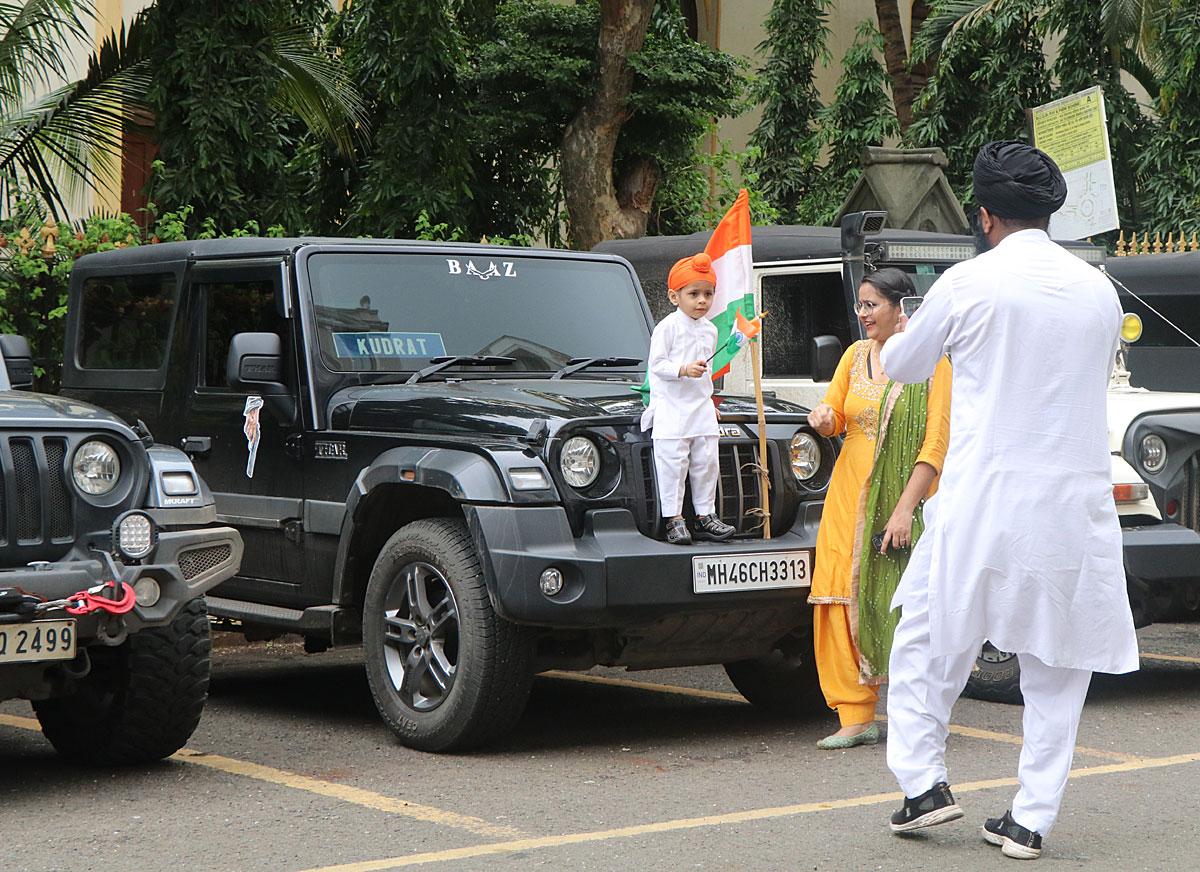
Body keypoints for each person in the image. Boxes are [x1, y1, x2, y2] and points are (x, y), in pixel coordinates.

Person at [880, 141, 1139, 860]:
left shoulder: (967, 283)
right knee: (1059, 663)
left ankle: (924, 783)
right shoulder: (1098, 290)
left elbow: (901, 364)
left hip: (983, 500)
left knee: (929, 638)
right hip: (1071, 504)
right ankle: (1030, 821)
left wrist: (907, 318)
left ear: (986, 216)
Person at [806, 268, 951, 750]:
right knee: (835, 594)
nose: (863, 314)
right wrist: (825, 419)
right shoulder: (853, 356)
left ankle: (916, 713)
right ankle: (854, 712)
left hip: (904, 498)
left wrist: (906, 508)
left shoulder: (932, 363)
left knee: (901, 604)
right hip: (848, 494)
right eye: (860, 306)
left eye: (871, 305)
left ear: (899, 306)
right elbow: (834, 417)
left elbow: (936, 443)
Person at [641, 252, 736, 545]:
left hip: (700, 408)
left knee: (707, 462)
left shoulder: (710, 330)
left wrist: (709, 403)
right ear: (674, 296)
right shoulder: (666, 327)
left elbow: (706, 375)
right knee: (673, 464)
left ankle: (705, 516)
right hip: (671, 408)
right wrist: (682, 369)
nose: (702, 301)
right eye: (693, 294)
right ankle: (674, 520)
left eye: (708, 294)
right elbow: (656, 366)